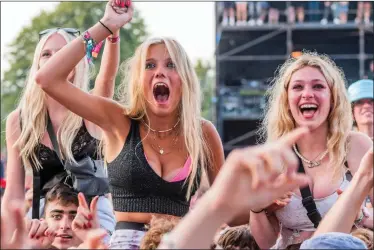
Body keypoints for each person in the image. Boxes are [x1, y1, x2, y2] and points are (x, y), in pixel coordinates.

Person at [34, 0, 224, 248]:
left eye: (171, 64)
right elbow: (47, 78)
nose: (159, 72)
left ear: (185, 79)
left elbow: (229, 206)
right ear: (138, 80)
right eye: (149, 65)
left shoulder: (203, 132)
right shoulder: (119, 121)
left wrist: (264, 206)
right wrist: (106, 26)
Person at [2, 24, 120, 237]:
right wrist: (13, 236)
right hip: (45, 217)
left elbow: (107, 79)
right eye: (47, 54)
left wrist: (113, 34)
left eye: (63, 53)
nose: (55, 59)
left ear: (77, 61)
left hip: (91, 215)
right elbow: (14, 194)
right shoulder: (19, 120)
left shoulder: (90, 108)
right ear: (37, 64)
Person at [249, 51, 373, 249]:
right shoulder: (272, 158)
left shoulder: (357, 145)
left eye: (318, 86)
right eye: (298, 87)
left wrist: (361, 219)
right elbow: (266, 243)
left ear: (333, 98)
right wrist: (256, 207)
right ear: (286, 101)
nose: (307, 93)